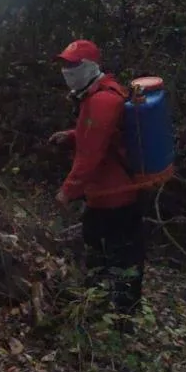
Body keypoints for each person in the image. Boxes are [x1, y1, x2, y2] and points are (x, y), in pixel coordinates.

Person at [49, 40, 145, 316]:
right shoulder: (97, 93)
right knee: (106, 252)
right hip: (109, 193)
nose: (67, 70)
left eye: (74, 64)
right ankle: (101, 309)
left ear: (91, 66)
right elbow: (101, 136)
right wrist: (70, 136)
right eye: (65, 65)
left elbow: (91, 155)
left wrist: (67, 191)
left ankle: (117, 319)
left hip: (114, 197)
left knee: (115, 257)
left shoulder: (102, 100)